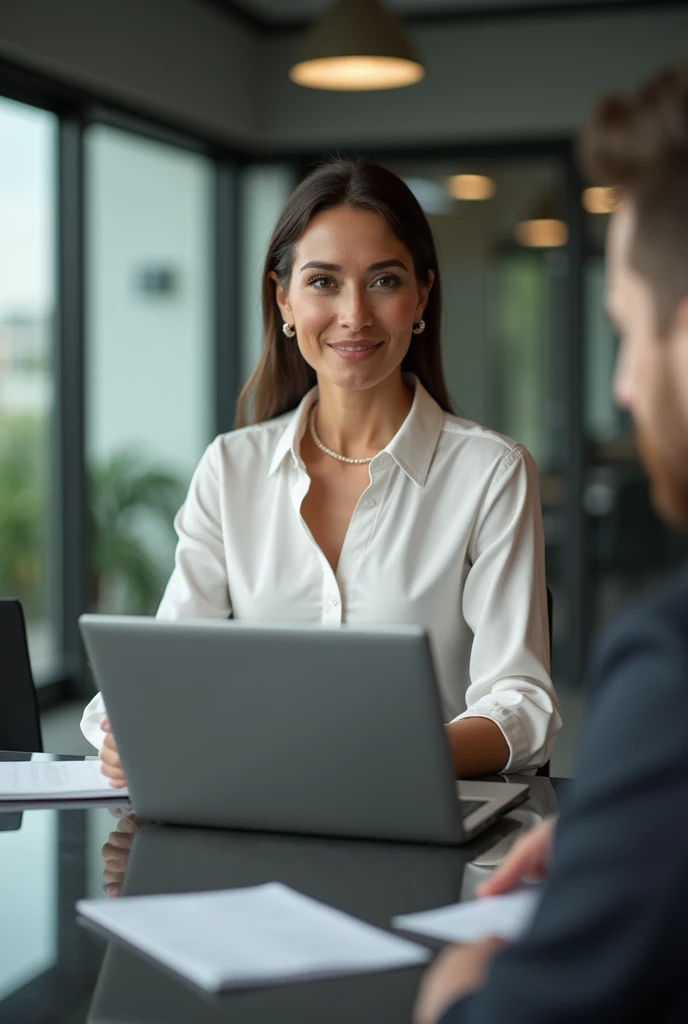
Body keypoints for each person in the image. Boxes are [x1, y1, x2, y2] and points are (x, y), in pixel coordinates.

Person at [81, 158, 561, 784]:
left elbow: (521, 702)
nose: (354, 314)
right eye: (323, 282)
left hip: (421, 819)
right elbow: (168, 663)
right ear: (284, 298)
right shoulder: (231, 467)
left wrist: (385, 759)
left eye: (384, 281)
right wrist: (127, 729)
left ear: (421, 296)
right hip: (258, 809)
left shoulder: (491, 473)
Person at [414, 63, 688, 1024]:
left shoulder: (674, 662)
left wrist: (456, 994)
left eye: (626, 333)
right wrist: (632, 839)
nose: (621, 387)